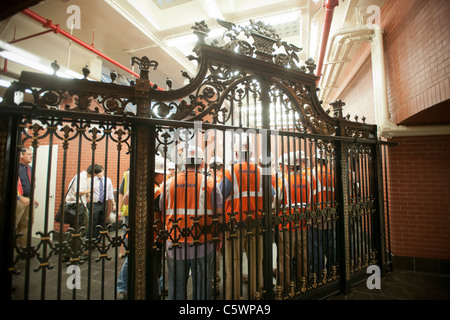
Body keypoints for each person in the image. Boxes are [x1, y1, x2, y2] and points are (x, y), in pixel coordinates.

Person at [160, 146, 222, 300]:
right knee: (202, 286)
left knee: (176, 286)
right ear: (201, 163)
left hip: (175, 241)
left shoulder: (168, 183)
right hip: (202, 241)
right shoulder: (210, 183)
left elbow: (162, 209)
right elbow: (219, 215)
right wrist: (219, 236)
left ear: (183, 162)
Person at [220, 138, 273, 300]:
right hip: (255, 224)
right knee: (256, 262)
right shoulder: (259, 170)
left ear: (236, 153)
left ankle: (234, 298)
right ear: (250, 153)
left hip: (234, 225)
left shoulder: (230, 171)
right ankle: (256, 294)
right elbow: (271, 195)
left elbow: (220, 196)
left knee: (233, 264)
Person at [117, 156, 165, 300]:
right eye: (163, 173)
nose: (164, 176)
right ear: (158, 174)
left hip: (135, 230)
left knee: (131, 259)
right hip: (152, 234)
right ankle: (154, 290)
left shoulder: (139, 184)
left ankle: (123, 288)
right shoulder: (157, 191)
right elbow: (158, 215)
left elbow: (125, 200)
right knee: (154, 263)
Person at [276, 151, 313, 292]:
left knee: (284, 258)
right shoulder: (307, 180)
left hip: (286, 224)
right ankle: (303, 282)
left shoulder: (283, 181)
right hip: (303, 222)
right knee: (303, 255)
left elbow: (276, 204)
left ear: (287, 166)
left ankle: (284, 287)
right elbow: (310, 201)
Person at [64, 164, 102, 260]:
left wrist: (86, 193)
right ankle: (76, 253)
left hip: (75, 205)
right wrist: (89, 190)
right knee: (80, 229)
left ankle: (68, 252)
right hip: (77, 207)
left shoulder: (80, 176)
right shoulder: (81, 177)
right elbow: (78, 192)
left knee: (74, 229)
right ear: (94, 173)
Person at [309, 148, 336, 276]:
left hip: (317, 215)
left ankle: (318, 272)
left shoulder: (312, 174)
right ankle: (332, 268)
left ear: (315, 160)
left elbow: (310, 196)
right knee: (330, 244)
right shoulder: (333, 174)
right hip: (332, 214)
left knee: (316, 246)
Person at [15, 147, 39, 248]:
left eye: (32, 154)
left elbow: (31, 184)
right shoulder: (16, 167)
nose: (31, 156)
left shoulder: (30, 168)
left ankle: (24, 247)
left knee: (27, 224)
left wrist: (32, 197)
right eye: (29, 154)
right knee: (14, 224)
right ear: (21, 155)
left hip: (29, 200)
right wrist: (19, 197)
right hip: (18, 200)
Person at [86, 165, 115, 242]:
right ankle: (89, 242)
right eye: (96, 172)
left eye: (99, 172)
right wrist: (89, 195)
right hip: (95, 203)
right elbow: (87, 190)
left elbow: (110, 193)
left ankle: (98, 241)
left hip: (104, 203)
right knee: (92, 222)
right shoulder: (92, 180)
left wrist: (114, 204)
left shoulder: (108, 180)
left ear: (103, 170)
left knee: (101, 223)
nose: (98, 174)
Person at [117, 168, 130, 258]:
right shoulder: (127, 175)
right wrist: (119, 209)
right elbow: (121, 193)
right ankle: (123, 250)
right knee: (125, 231)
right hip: (128, 209)